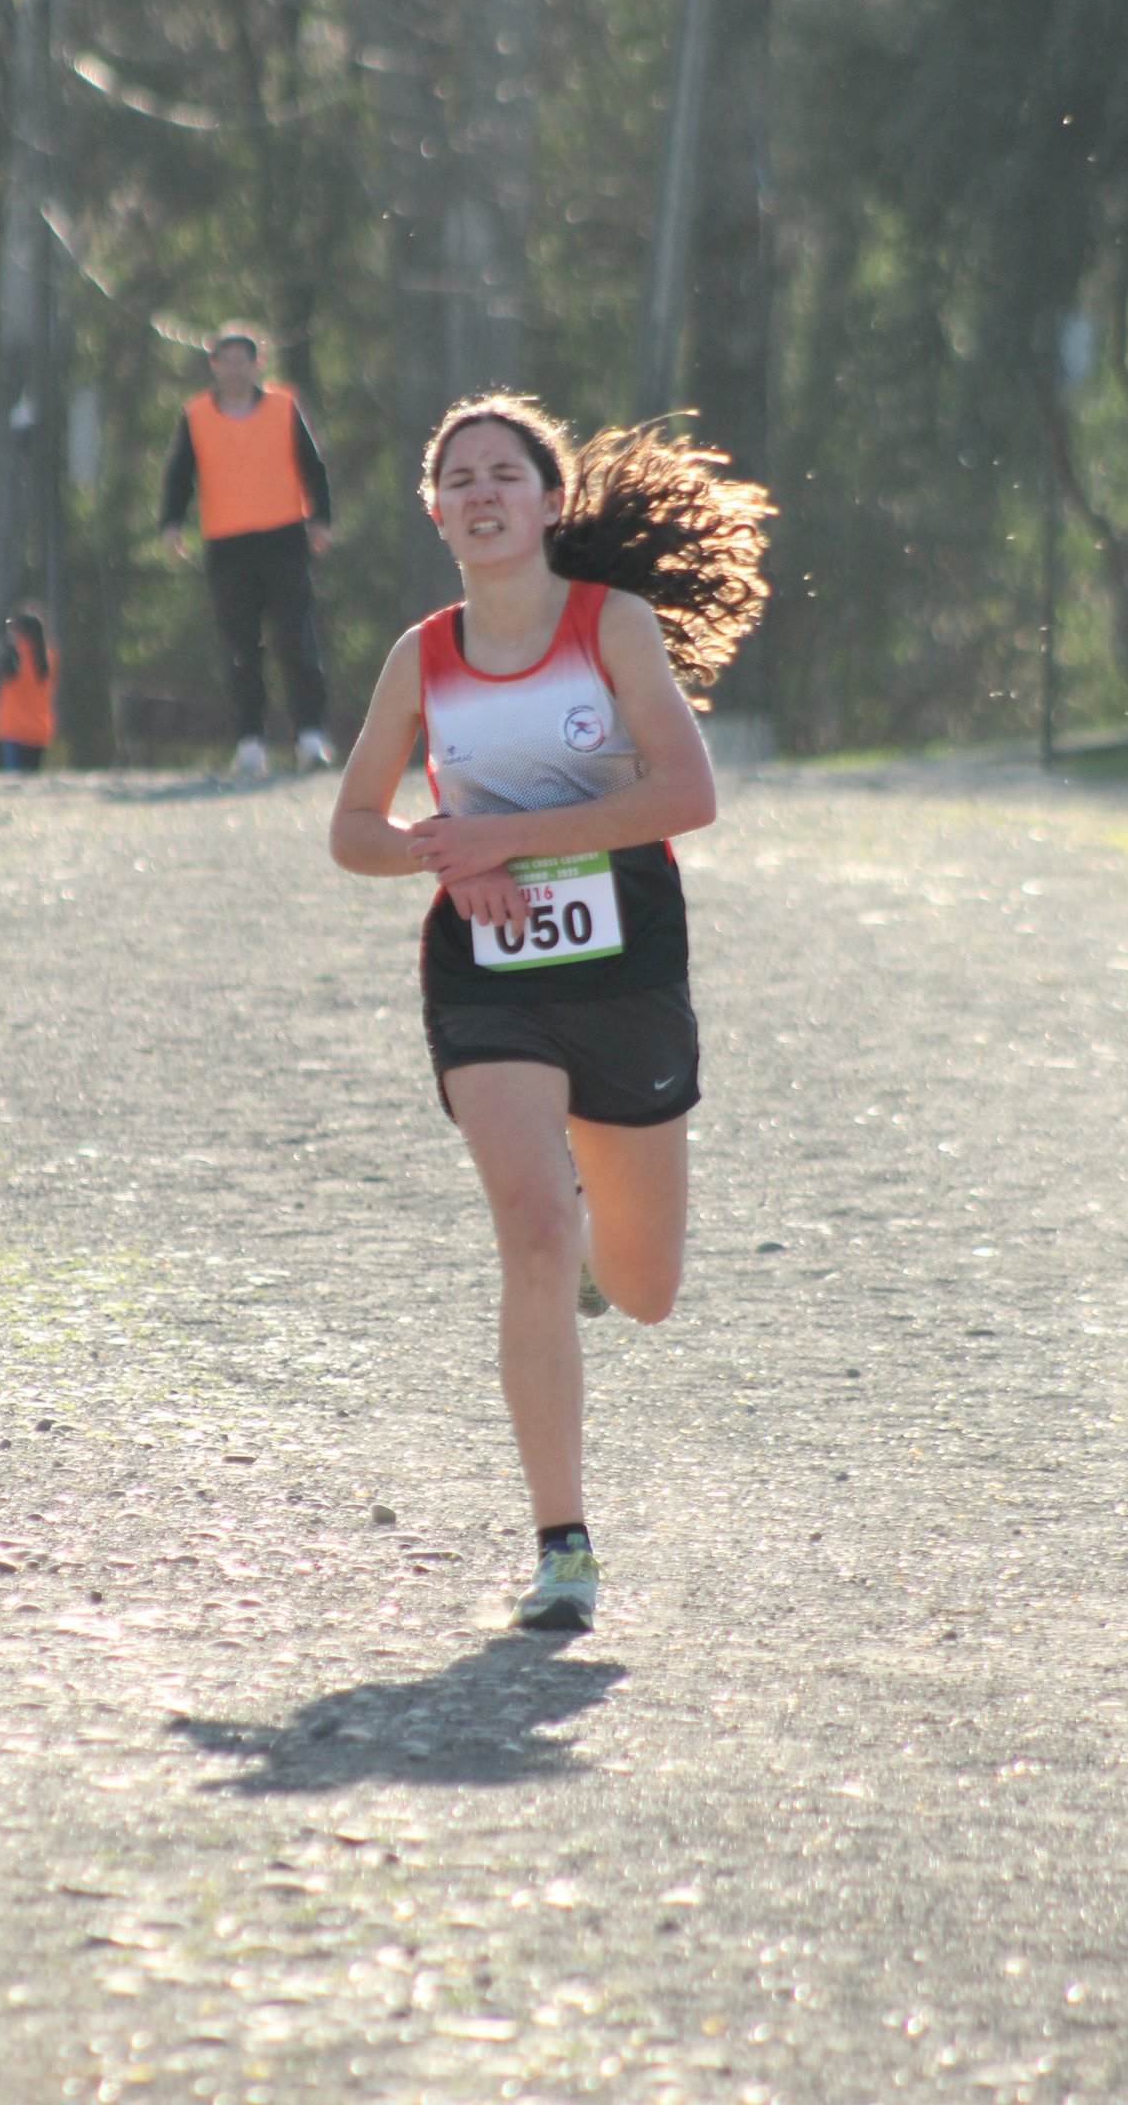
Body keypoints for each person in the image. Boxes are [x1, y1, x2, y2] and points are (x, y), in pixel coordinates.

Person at [329, 395, 772, 1631]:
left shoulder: (609, 627)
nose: (480, 492)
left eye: (504, 475)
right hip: (487, 979)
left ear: (547, 503)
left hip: (625, 972)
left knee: (642, 1290)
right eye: (457, 478)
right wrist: (437, 855)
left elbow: (686, 794)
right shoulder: (422, 657)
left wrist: (504, 836)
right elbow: (352, 830)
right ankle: (560, 1544)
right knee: (527, 1226)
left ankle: (592, 1257)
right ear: (435, 513)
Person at [159, 324, 336, 778]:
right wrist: (172, 524)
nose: (235, 369)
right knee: (241, 646)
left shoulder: (282, 406)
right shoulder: (196, 414)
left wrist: (321, 519)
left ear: (258, 365)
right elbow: (180, 472)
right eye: (226, 361)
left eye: (243, 360)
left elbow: (312, 466)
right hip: (227, 543)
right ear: (214, 366)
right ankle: (249, 741)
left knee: (296, 639)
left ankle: (310, 736)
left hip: (284, 537)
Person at [0, 607, 57, 774]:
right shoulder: (48, 658)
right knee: (31, 782)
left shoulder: (14, 654)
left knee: (15, 781)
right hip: (39, 730)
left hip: (14, 728)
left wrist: (3, 650)